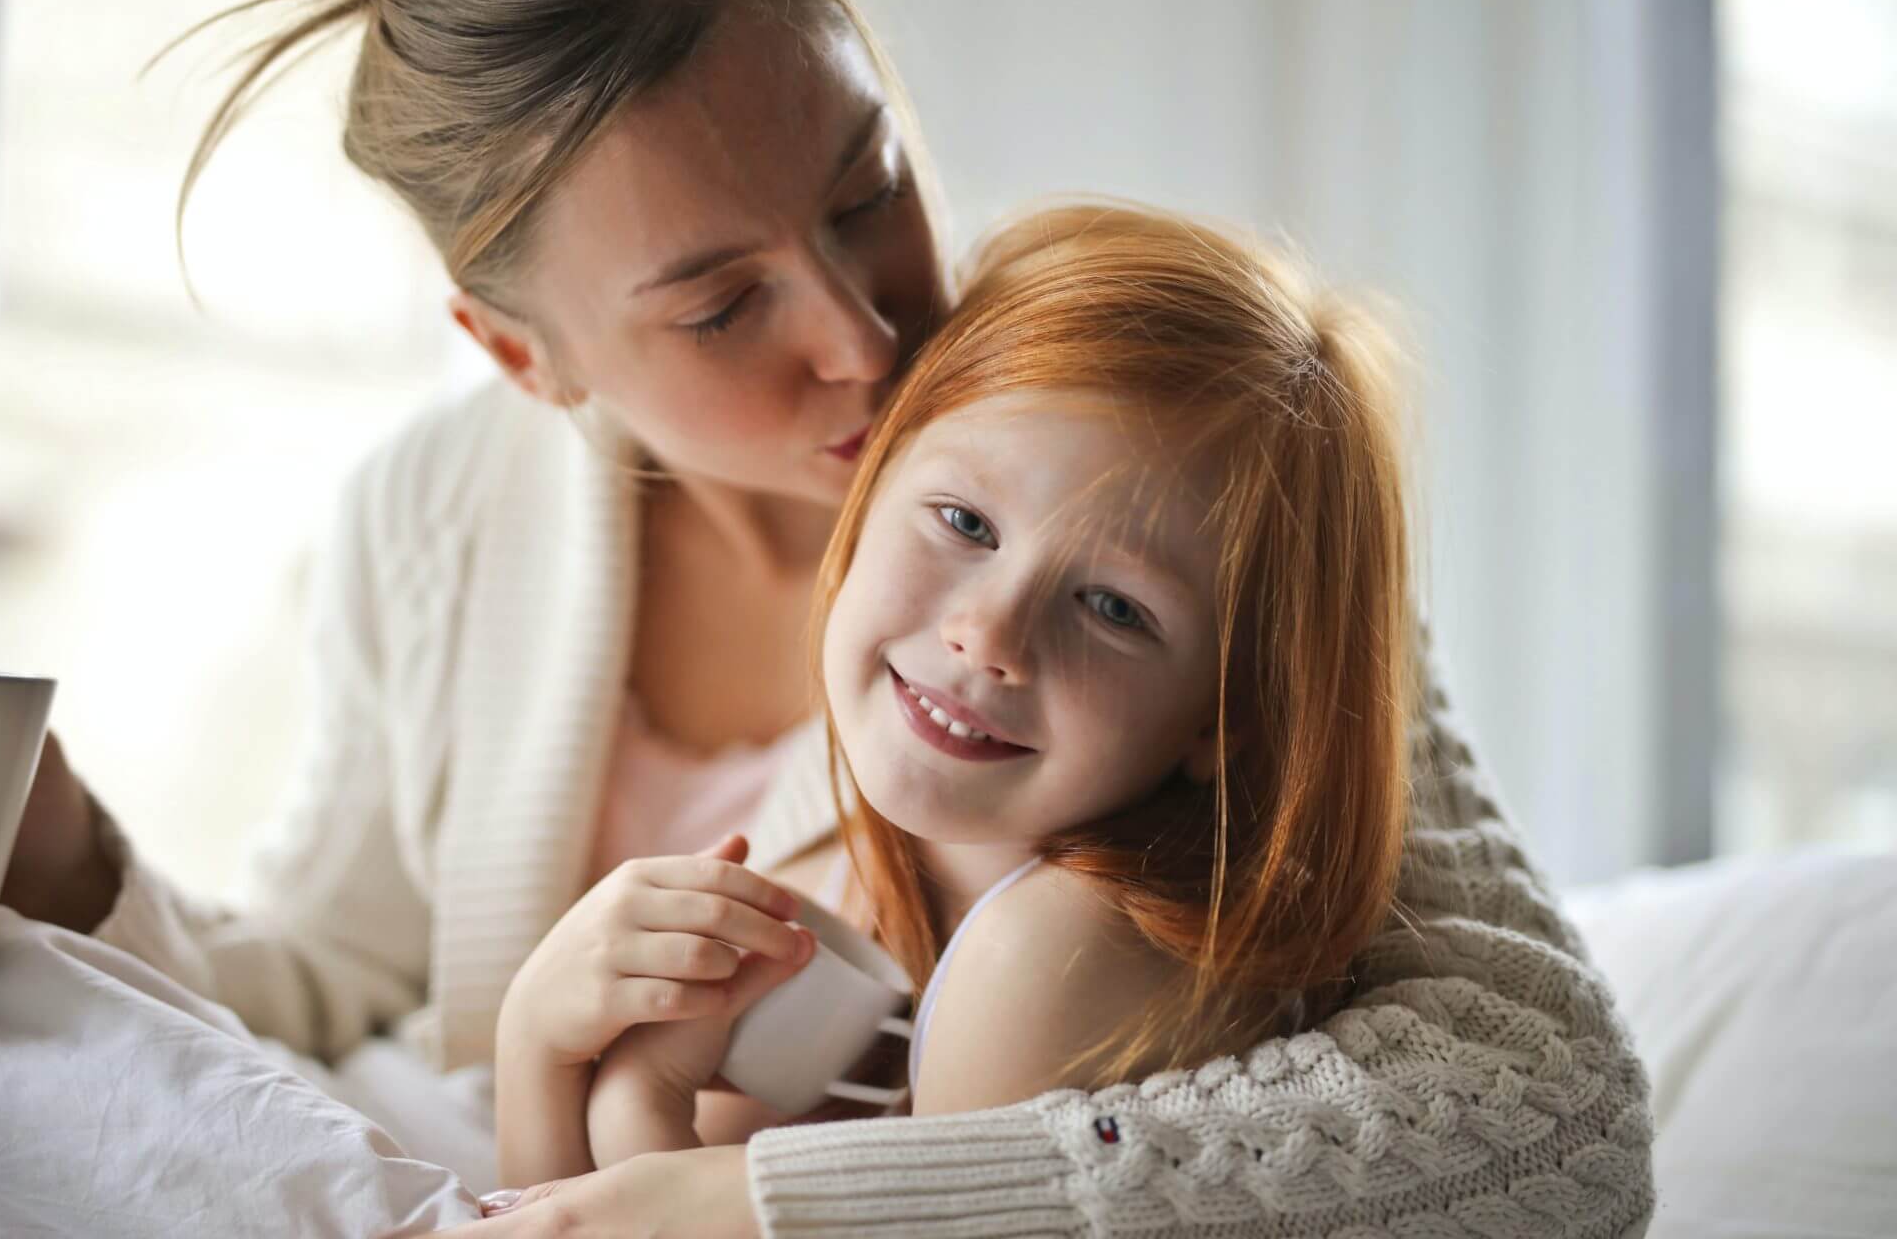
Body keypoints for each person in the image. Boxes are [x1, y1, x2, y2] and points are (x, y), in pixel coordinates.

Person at [0, 0, 1655, 1235]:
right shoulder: (434, 512)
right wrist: (64, 857)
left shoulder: (1135, 447)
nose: (868, 337)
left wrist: (772, 1210)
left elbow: (1555, 1112)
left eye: (869, 192)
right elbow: (333, 986)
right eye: (722, 306)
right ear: (524, 354)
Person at [505, 201, 1419, 1179]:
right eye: (964, 521)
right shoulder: (866, 870)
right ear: (867, 489)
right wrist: (539, 1048)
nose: (988, 636)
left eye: (1115, 606)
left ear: (1223, 717)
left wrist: (632, 1100)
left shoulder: (1059, 957)